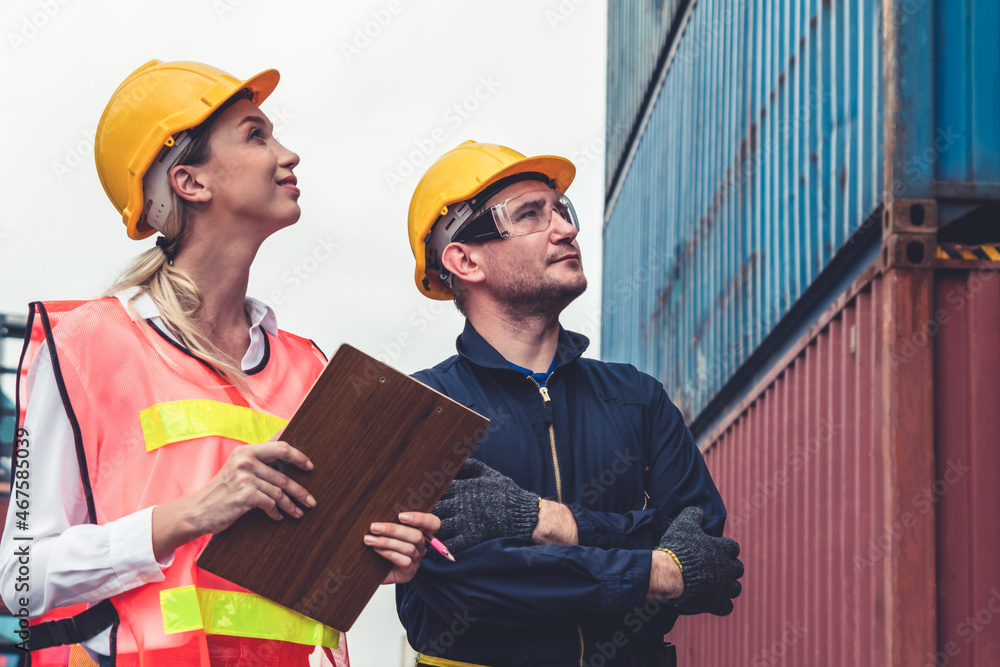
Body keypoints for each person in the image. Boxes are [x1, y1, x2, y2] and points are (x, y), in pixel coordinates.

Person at [0, 60, 439, 667]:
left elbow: (299, 581)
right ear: (190, 182)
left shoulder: (307, 367)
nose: (289, 156)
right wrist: (191, 515)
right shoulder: (86, 344)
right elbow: (19, 577)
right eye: (256, 135)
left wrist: (370, 556)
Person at [396, 141, 744, 666]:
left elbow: (704, 545)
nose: (566, 228)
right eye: (531, 215)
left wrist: (546, 521)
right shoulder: (424, 408)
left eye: (561, 210)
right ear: (464, 259)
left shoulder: (636, 396)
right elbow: (471, 583)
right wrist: (659, 571)